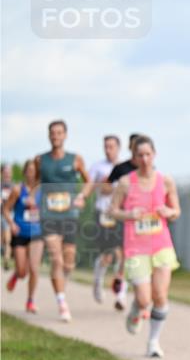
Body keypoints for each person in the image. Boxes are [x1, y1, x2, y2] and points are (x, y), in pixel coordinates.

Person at [109, 135, 181, 358]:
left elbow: (176, 211)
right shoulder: (125, 182)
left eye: (148, 154)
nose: (145, 159)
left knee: (160, 296)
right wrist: (129, 214)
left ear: (154, 155)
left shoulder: (165, 181)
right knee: (144, 299)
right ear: (134, 157)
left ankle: (153, 342)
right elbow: (113, 210)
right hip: (136, 247)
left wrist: (168, 212)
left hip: (161, 245)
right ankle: (137, 308)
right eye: (140, 155)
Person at [35, 120, 91, 322]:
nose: (55, 136)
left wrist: (82, 196)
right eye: (52, 133)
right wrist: (32, 199)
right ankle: (61, 302)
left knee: (68, 264)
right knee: (56, 259)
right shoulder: (40, 160)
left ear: (65, 135)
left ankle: (61, 287)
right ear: (48, 135)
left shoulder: (75, 159)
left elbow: (88, 182)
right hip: (49, 216)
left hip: (69, 216)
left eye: (59, 132)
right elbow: (34, 183)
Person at [106, 133, 142, 310]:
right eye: (136, 146)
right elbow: (105, 186)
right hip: (124, 218)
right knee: (126, 256)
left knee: (138, 258)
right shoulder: (121, 169)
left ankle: (136, 294)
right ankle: (122, 294)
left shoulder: (150, 170)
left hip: (143, 220)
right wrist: (118, 191)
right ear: (130, 147)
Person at [2, 159, 44, 312]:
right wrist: (12, 224)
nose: (31, 174)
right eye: (29, 171)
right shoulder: (17, 190)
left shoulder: (42, 191)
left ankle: (30, 301)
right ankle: (16, 275)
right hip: (20, 232)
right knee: (22, 271)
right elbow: (6, 210)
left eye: (34, 171)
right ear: (25, 172)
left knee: (34, 268)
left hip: (37, 233)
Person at [89, 135, 123, 303]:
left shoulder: (125, 167)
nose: (108, 150)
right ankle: (98, 281)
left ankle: (120, 294)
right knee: (107, 255)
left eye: (111, 147)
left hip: (121, 214)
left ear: (118, 148)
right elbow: (94, 187)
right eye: (106, 147)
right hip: (104, 214)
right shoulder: (98, 167)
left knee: (122, 253)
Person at [1, 164, 13, 270]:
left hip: (9, 215)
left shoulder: (15, 187)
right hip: (0, 214)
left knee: (8, 240)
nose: (7, 174)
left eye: (9, 172)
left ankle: (6, 260)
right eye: (5, 172)